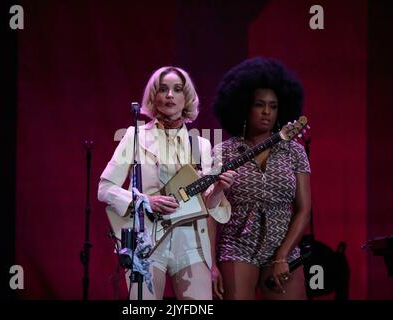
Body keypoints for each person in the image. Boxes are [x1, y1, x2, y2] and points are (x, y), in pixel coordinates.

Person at [98, 66, 235, 300]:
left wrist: (220, 189)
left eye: (177, 89)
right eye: (163, 89)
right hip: (148, 241)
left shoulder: (200, 145)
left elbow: (209, 207)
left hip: (192, 244)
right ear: (154, 96)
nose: (170, 95)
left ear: (187, 97)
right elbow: (105, 189)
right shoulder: (134, 136)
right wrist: (146, 201)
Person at [210, 57, 311, 300]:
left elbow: (304, 209)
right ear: (244, 106)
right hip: (237, 247)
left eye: (273, 106)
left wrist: (283, 256)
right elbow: (211, 212)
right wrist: (211, 265)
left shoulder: (294, 151)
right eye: (259, 104)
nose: (267, 112)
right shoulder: (224, 152)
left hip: (282, 246)